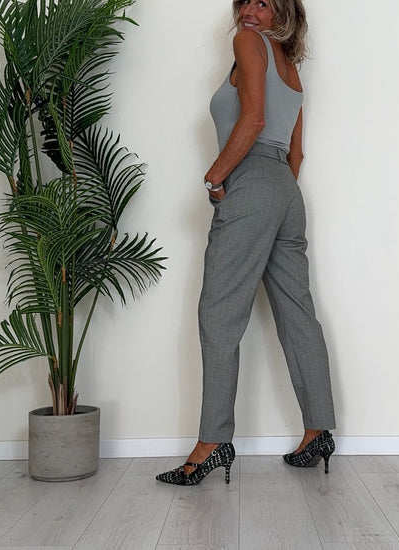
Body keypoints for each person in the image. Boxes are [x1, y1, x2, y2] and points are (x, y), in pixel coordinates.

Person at [156, 0, 336, 486]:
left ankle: (211, 443)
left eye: (264, 2)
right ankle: (317, 431)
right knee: (298, 312)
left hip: (250, 181)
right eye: (246, 1)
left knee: (219, 313)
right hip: (286, 190)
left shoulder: (248, 43)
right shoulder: (291, 66)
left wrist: (216, 177)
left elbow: (253, 119)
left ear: (283, 12)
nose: (250, 10)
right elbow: (296, 152)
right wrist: (278, 192)